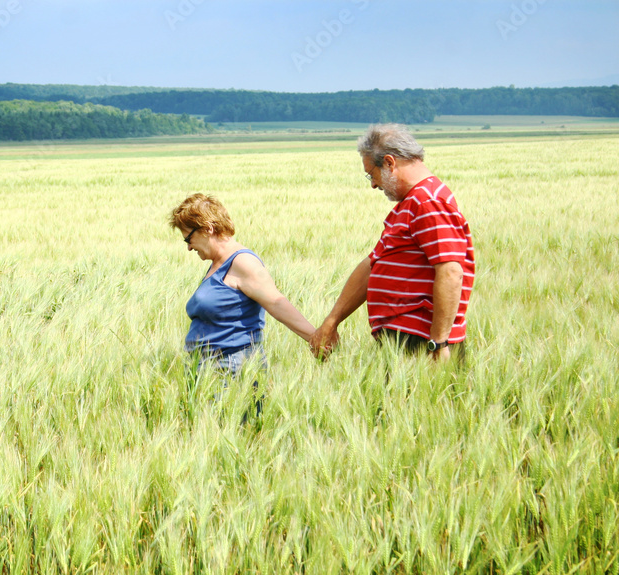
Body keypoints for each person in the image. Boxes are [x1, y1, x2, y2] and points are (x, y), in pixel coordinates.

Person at [309, 124, 475, 362]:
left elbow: (450, 272)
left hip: (421, 344)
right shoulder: (410, 204)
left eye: (371, 174)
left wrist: (438, 343)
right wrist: (332, 320)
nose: (373, 184)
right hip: (404, 341)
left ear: (389, 162)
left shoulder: (428, 202)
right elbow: (372, 264)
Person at [170, 193, 315, 414]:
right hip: (209, 370)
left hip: (231, 369)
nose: (189, 247)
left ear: (208, 228)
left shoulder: (242, 262)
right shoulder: (218, 264)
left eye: (188, 238)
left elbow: (277, 304)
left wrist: (317, 338)